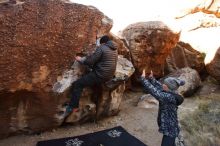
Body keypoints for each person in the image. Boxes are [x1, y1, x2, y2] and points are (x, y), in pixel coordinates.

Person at [63, 35, 118, 117]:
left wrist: (80, 59)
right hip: (109, 75)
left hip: (100, 75)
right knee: (90, 74)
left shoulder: (102, 48)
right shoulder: (115, 49)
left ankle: (73, 106)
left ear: (102, 43)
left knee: (78, 84)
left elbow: (90, 61)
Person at [140, 70, 185, 146]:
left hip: (170, 130)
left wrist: (143, 79)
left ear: (168, 87)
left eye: (165, 84)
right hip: (171, 127)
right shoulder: (172, 92)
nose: (163, 84)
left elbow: (153, 91)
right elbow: (160, 86)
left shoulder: (168, 97)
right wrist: (151, 78)